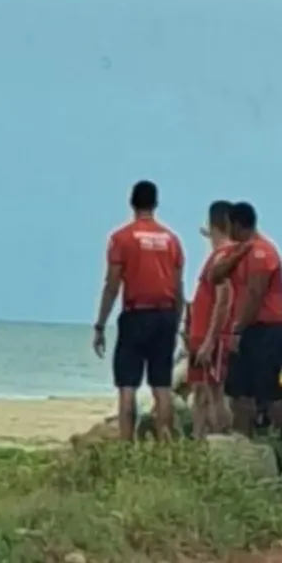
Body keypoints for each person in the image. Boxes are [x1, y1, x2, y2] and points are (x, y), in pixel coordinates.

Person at [93, 180, 185, 441]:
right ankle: (165, 443)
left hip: (136, 313)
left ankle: (126, 443)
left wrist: (100, 324)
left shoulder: (121, 238)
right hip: (165, 315)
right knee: (162, 385)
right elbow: (178, 287)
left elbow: (112, 284)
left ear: (132, 203)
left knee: (127, 385)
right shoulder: (172, 240)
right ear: (155, 204)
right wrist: (176, 322)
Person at [209, 202, 282, 437]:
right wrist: (236, 254)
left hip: (268, 328)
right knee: (238, 390)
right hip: (250, 328)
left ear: (236, 225)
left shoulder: (262, 252)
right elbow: (214, 276)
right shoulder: (243, 251)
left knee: (268, 392)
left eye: (229, 227)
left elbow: (255, 295)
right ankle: (243, 440)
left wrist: (237, 330)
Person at [185, 200, 236, 436]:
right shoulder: (221, 254)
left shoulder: (221, 258)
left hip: (208, 335)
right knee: (201, 391)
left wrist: (210, 340)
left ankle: (217, 439)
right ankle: (200, 438)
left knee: (212, 392)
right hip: (201, 333)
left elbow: (223, 298)